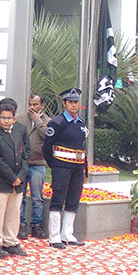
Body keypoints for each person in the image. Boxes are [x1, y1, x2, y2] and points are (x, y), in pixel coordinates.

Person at [42, 88, 89, 249]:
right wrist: (54, 164)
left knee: (73, 199)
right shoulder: (58, 122)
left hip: (77, 167)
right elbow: (47, 146)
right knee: (58, 199)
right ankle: (54, 236)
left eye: (76, 102)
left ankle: (67, 234)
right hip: (61, 166)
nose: (74, 105)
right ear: (64, 103)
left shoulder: (81, 123)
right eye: (70, 102)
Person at [0, 99, 29, 258]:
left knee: (13, 213)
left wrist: (20, 176)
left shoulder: (18, 132)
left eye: (9, 118)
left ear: (14, 119)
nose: (6, 121)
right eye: (3, 118)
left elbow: (25, 155)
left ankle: (10, 241)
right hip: (0, 181)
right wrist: (11, 177)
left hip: (18, 182)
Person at [17, 93, 49, 239]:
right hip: (22, 164)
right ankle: (21, 225)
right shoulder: (21, 119)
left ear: (42, 106)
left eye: (35, 104)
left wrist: (38, 121)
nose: (32, 107)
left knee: (37, 197)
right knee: (21, 197)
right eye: (30, 104)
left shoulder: (48, 121)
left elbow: (48, 136)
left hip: (38, 163)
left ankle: (36, 225)